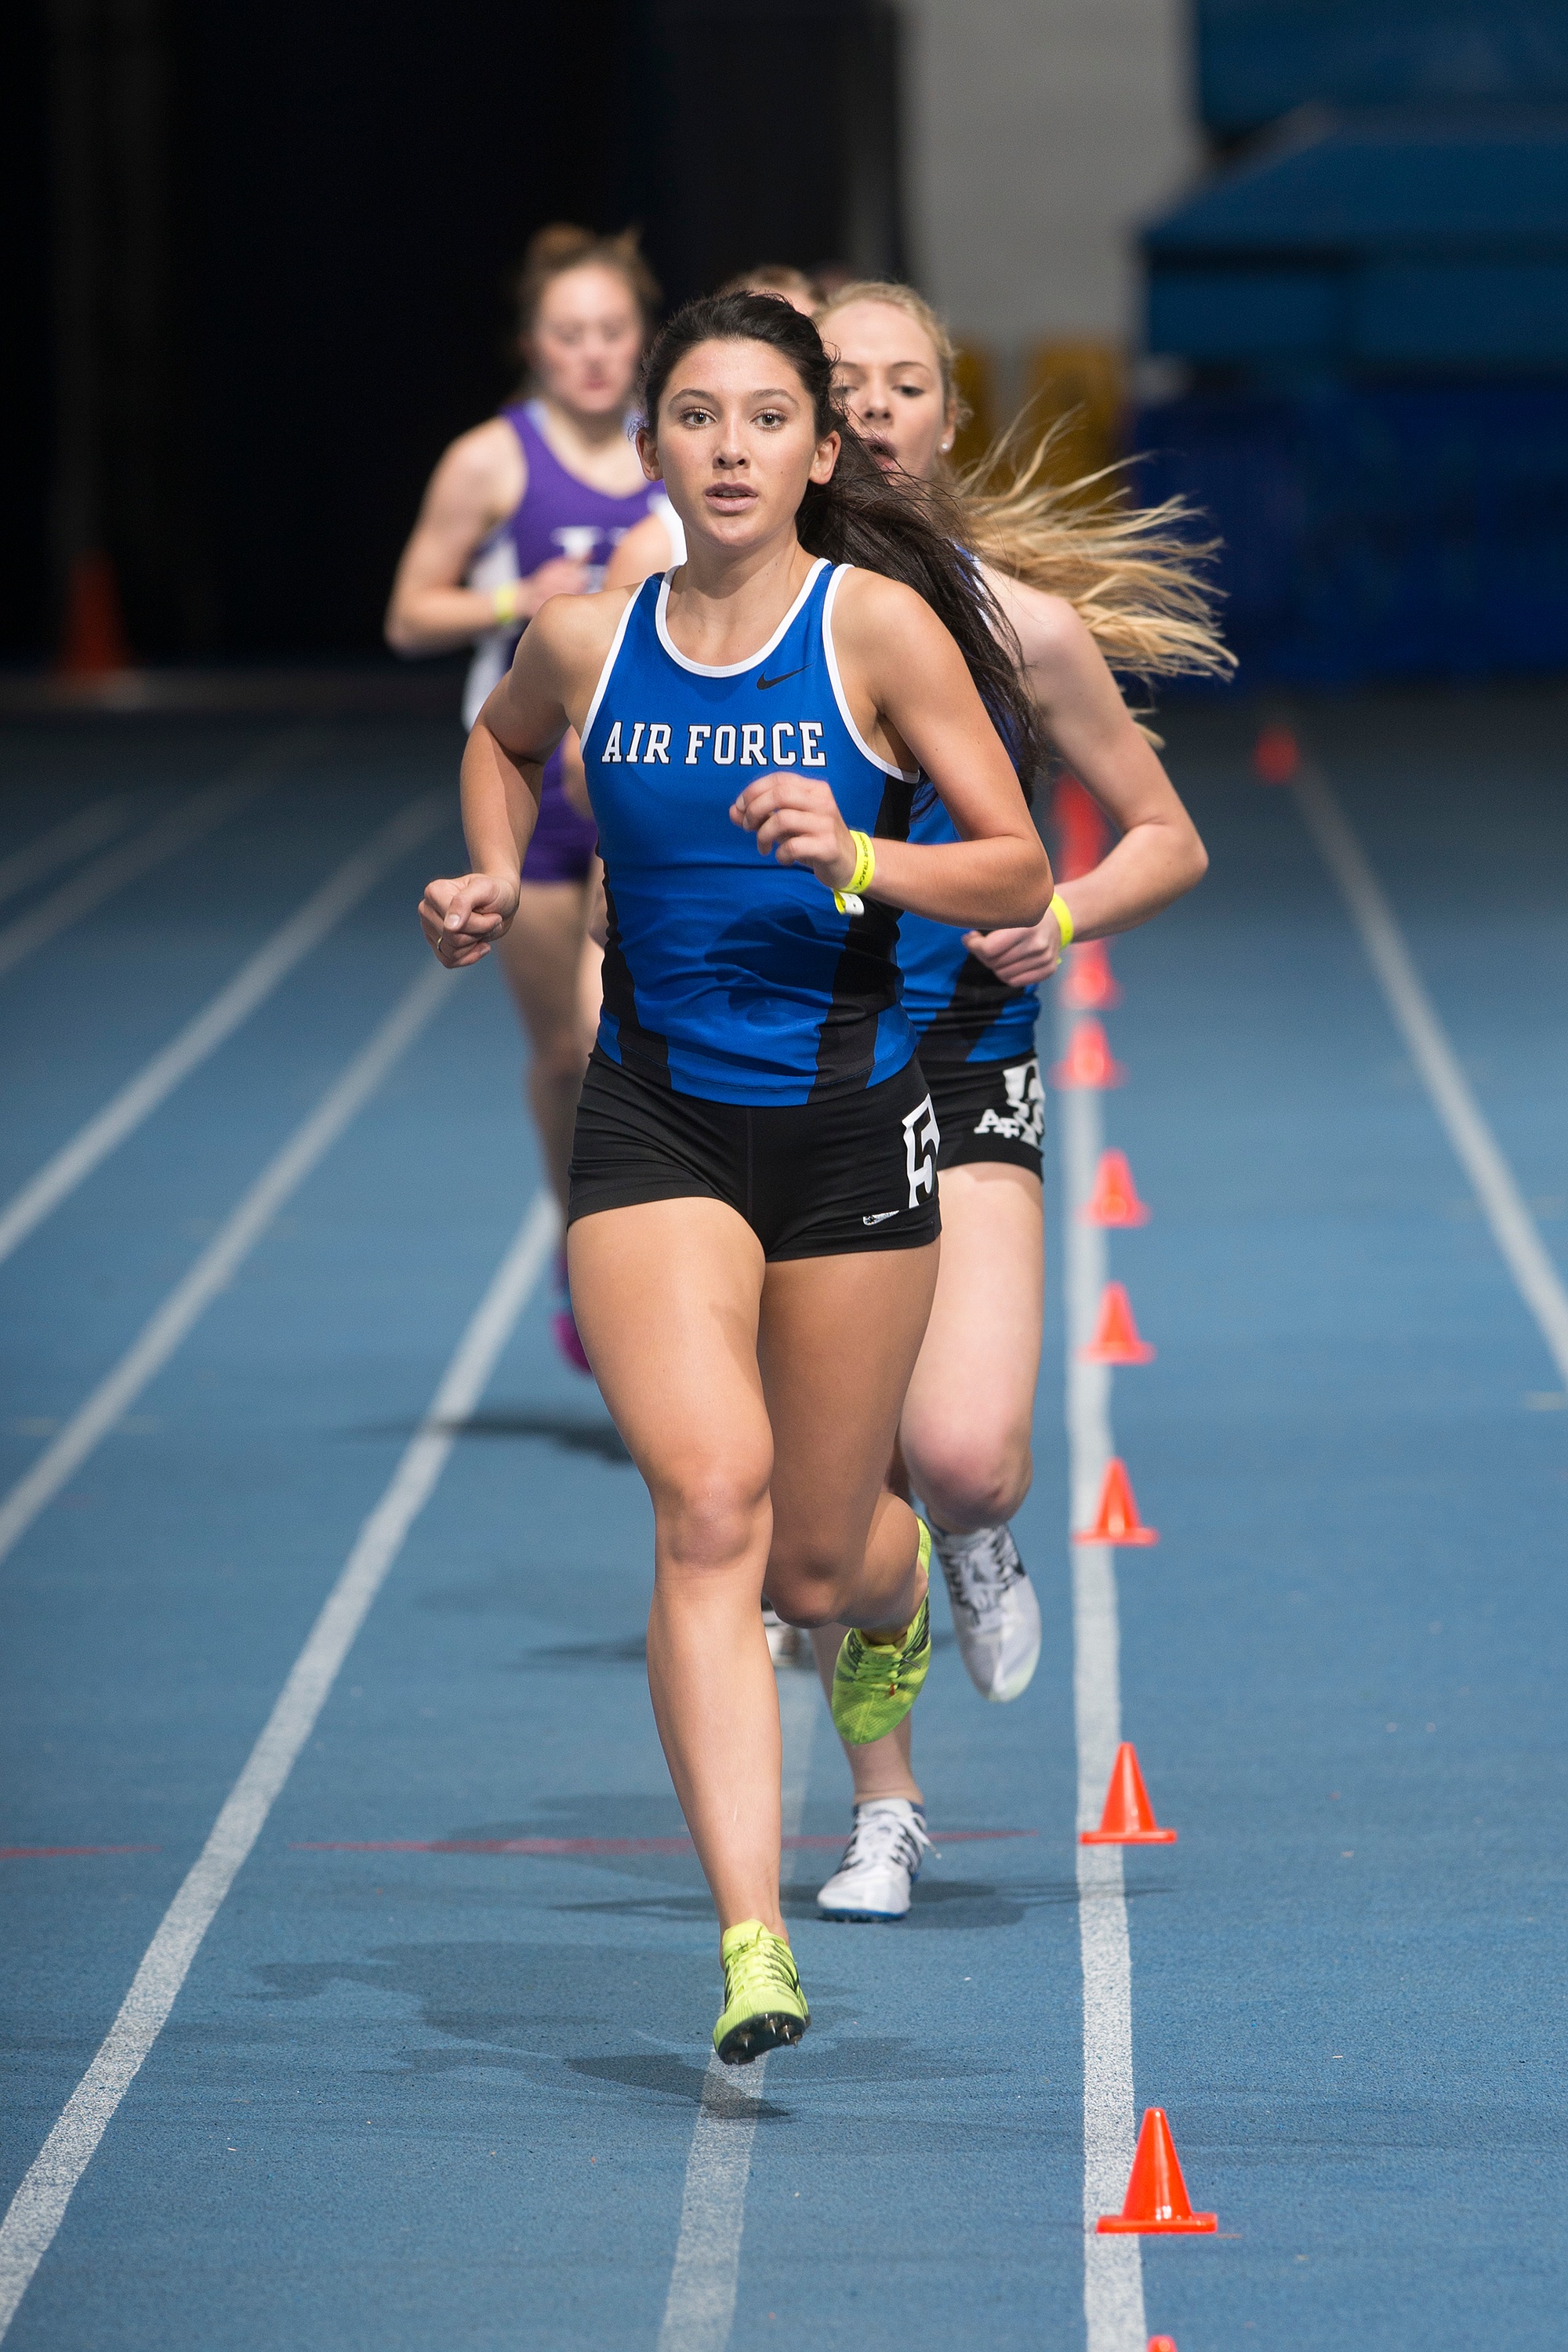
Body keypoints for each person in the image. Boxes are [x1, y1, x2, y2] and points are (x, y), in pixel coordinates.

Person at [418, 291, 1053, 2062]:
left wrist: (856, 849)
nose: (727, 450)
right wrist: (488, 876)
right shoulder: (583, 636)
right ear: (653, 445)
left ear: (819, 449)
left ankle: (904, 1585)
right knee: (710, 1504)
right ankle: (752, 1936)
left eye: (765, 420)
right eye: (695, 418)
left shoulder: (884, 633)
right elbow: (500, 743)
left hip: (854, 1127)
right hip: (658, 1124)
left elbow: (1008, 857)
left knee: (822, 1567)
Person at [802, 280, 1231, 1922]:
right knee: (835, 1508)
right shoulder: (743, 619)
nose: (881, 410)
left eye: (908, 383)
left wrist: (1051, 917)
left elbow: (1167, 837)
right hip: (795, 1078)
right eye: (846, 384)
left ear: (946, 413)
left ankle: (976, 1541)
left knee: (962, 1459)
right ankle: (883, 1812)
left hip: (963, 1061)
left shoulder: (1020, 624)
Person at [387, 223, 672, 1370]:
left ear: (643, 339)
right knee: (564, 1054)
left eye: (613, 333)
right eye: (571, 335)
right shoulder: (491, 461)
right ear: (534, 345)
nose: (595, 355)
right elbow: (410, 613)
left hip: (643, 782)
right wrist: (519, 602)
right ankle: (577, 1233)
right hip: (529, 785)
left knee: (624, 1033)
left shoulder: (683, 447)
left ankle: (646, 1261)